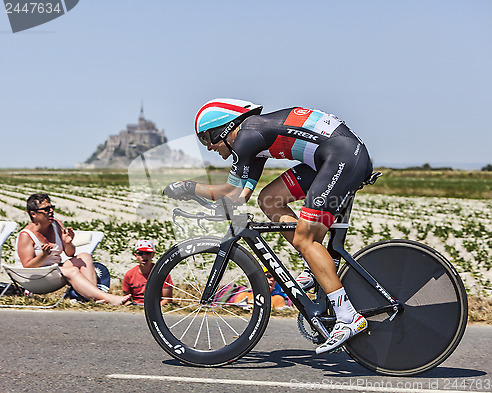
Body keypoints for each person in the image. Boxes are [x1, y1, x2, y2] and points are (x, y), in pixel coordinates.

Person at [163, 99, 373, 354]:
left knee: (306, 240)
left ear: (225, 129)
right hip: (333, 156)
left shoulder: (246, 137)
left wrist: (188, 187)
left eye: (209, 138)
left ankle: (348, 317)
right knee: (270, 199)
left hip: (341, 157)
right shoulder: (254, 141)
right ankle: (313, 263)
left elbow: (230, 190)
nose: (209, 147)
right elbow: (239, 196)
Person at [16, 193, 131, 305]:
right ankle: (108, 298)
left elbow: (70, 253)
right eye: (46, 209)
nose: (51, 211)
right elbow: (28, 266)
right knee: (72, 271)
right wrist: (44, 255)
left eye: (52, 207)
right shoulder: (26, 235)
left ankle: (94, 297)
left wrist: (68, 243)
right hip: (39, 277)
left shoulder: (56, 224)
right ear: (33, 214)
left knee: (85, 256)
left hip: (56, 270)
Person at [122, 240, 173, 306]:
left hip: (155, 306)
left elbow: (167, 299)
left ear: (153, 255)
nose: (144, 256)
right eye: (140, 253)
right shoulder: (129, 274)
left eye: (147, 253)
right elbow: (126, 297)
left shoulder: (162, 273)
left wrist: (154, 309)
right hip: (136, 305)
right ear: (136, 256)